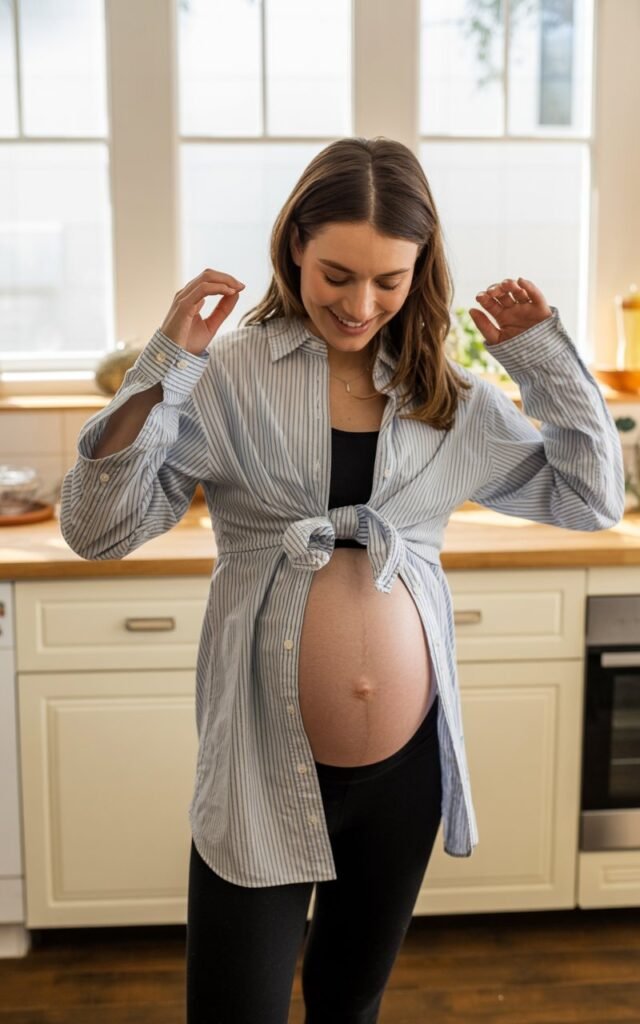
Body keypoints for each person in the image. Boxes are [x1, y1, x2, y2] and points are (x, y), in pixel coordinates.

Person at [59, 136, 625, 1024]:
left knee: (347, 1006)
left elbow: (593, 500)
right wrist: (166, 362)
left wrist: (542, 358)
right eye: (336, 275)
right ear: (294, 248)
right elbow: (96, 529)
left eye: (389, 281)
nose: (360, 305)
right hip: (258, 757)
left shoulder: (448, 392)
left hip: (404, 774)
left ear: (420, 272)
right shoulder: (228, 377)